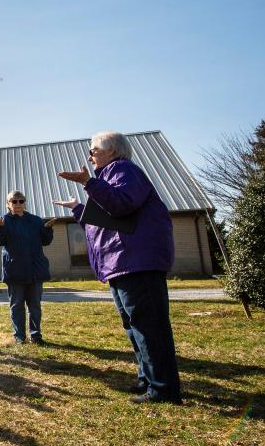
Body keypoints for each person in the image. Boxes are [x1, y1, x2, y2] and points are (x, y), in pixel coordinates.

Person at [55, 130, 182, 405]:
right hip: (122, 263)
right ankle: (148, 381)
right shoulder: (107, 178)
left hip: (136, 262)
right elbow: (104, 221)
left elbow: (122, 204)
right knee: (133, 325)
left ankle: (163, 389)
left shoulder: (123, 169)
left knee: (148, 326)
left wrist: (88, 182)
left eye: (94, 149)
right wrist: (79, 209)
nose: (89, 156)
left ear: (112, 150)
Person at [0, 190, 56, 345]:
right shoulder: (2, 221)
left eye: (21, 201)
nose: (18, 204)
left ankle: (36, 336)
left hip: (35, 270)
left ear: (25, 203)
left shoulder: (35, 220)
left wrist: (48, 229)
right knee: (17, 305)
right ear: (8, 204)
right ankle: (19, 336)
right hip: (15, 270)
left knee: (35, 306)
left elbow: (46, 241)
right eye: (14, 201)